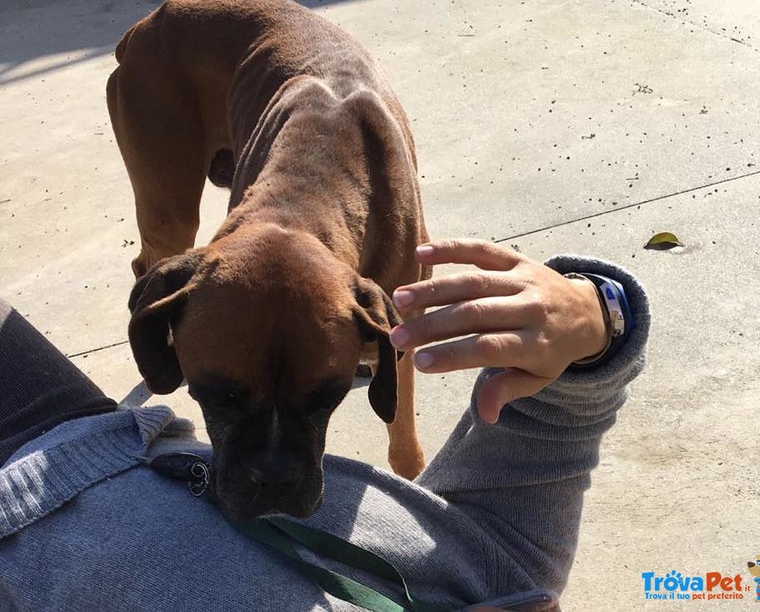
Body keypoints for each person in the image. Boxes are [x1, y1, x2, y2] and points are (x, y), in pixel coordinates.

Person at [0, 239, 649, 611]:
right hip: (79, 440)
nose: (273, 469)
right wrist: (596, 313)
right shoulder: (507, 574)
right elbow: (569, 403)